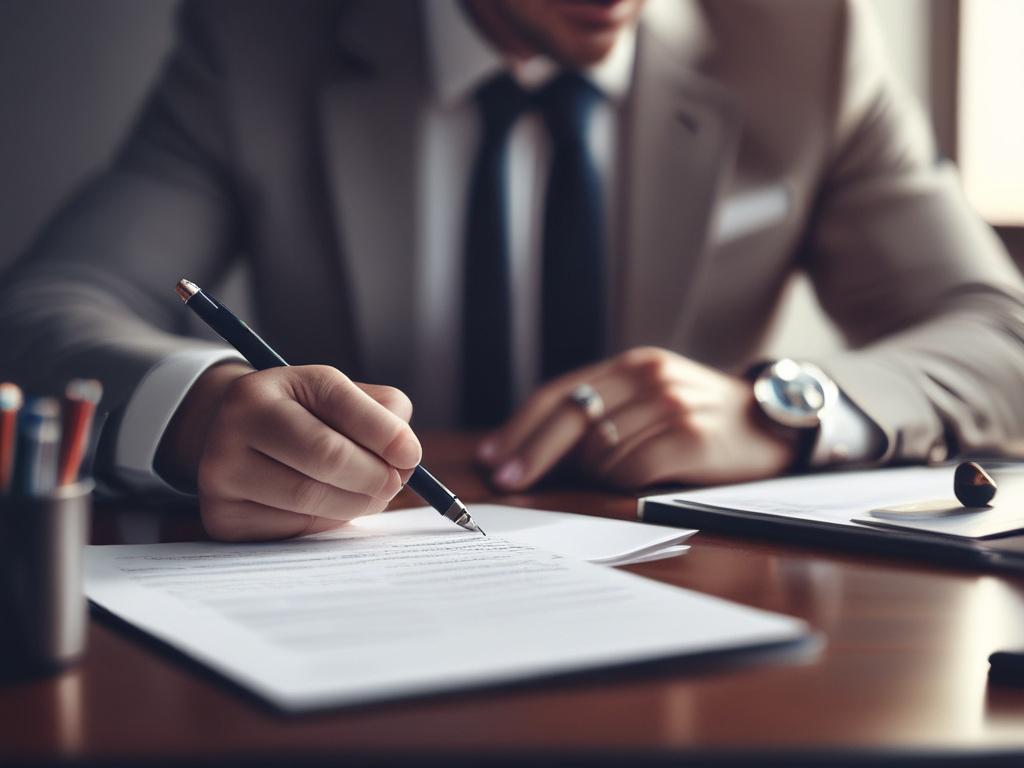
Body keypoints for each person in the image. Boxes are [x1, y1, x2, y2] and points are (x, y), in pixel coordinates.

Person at [2, 0, 1023, 541]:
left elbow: (1000, 336)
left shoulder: (807, 38)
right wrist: (196, 411)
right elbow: (45, 310)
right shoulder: (260, 36)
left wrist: (785, 412)